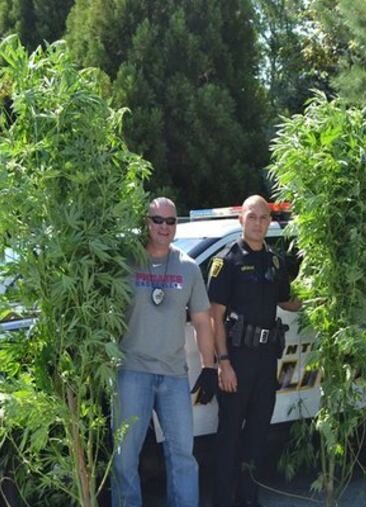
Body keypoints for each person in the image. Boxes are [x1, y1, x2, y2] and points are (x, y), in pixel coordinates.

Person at [111, 197, 217, 507]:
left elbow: (202, 321)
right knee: (124, 458)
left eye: (171, 221)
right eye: (158, 220)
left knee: (183, 455)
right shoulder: (126, 263)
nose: (164, 227)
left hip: (173, 375)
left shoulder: (188, 267)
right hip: (131, 371)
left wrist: (209, 367)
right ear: (146, 222)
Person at [208, 195, 300, 507]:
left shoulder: (274, 260)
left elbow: (286, 299)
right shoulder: (227, 261)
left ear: (269, 222)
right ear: (241, 220)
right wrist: (223, 363)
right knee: (230, 436)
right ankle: (223, 500)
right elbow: (214, 317)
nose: (258, 223)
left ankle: (249, 499)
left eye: (263, 218)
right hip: (237, 358)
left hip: (265, 361)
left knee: (257, 435)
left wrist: (318, 295)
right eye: (252, 217)